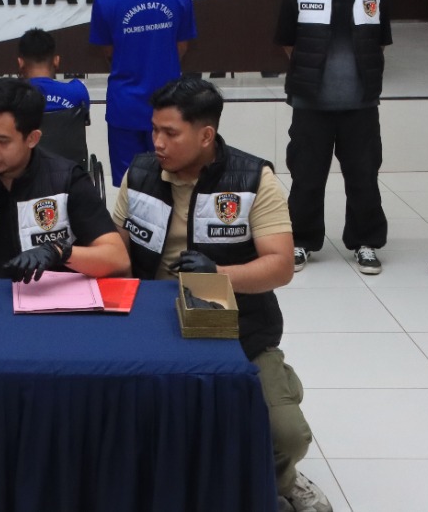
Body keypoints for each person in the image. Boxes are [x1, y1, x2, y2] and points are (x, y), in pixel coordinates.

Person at [112, 78, 330, 512]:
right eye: (154, 130)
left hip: (237, 331)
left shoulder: (253, 178)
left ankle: (283, 479)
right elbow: (115, 250)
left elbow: (281, 266)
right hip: (150, 330)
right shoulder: (138, 174)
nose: (157, 142)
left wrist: (218, 274)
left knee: (288, 435)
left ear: (206, 135)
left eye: (170, 132)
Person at [0, 78, 128, 285]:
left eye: (2, 140)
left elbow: (118, 259)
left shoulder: (67, 181)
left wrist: (60, 252)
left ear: (32, 138)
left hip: (47, 298)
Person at [274, 0, 391, 274]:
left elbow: (380, 42)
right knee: (306, 177)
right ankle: (301, 241)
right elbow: (288, 42)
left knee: (363, 177)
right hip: (311, 104)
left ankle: (366, 241)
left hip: (361, 104)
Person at [89, 0, 196, 185]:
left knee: (130, 183)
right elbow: (182, 45)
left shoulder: (105, 0)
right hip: (169, 104)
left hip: (124, 105)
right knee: (171, 179)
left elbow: (109, 53)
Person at [16, 27, 92, 174]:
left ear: (20, 62)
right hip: (69, 172)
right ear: (56, 61)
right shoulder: (78, 91)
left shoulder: (11, 96)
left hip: (24, 174)